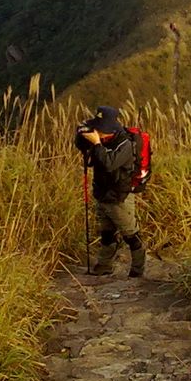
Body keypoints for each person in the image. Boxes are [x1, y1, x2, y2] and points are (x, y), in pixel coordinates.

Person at [74, 106, 146, 278]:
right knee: (107, 233)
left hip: (119, 196)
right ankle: (104, 266)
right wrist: (82, 136)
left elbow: (109, 163)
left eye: (101, 130)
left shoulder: (125, 144)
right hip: (103, 193)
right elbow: (81, 146)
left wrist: (97, 143)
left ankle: (137, 270)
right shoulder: (103, 139)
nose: (98, 133)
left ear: (111, 129)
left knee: (130, 234)